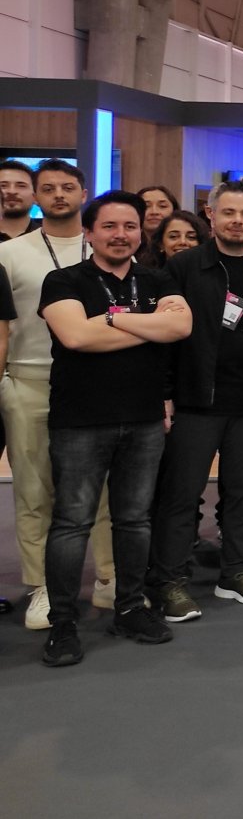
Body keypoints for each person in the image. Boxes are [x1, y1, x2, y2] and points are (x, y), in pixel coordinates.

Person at [38, 190, 193, 666]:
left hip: (144, 418)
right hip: (80, 421)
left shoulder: (157, 277)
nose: (120, 235)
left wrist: (111, 319)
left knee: (133, 519)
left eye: (130, 226)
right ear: (89, 233)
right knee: (72, 523)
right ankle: (62, 623)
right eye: (109, 226)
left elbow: (180, 328)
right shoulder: (63, 279)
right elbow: (74, 335)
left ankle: (129, 607)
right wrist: (142, 324)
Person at [147, 181, 243, 618]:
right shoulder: (185, 268)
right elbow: (164, 339)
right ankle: (171, 580)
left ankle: (237, 571)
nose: (237, 221)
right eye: (228, 213)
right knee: (181, 494)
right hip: (196, 401)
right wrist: (165, 396)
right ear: (210, 216)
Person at [0, 159, 118, 631]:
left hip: (99, 382)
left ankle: (111, 577)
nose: (58, 196)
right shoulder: (10, 253)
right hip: (30, 381)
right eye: (47, 189)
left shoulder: (107, 246)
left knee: (108, 489)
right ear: (35, 196)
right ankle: (43, 586)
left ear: (84, 192)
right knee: (35, 490)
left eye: (68, 187)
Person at [0, 159, 40, 240]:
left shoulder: (52, 238)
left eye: (21, 186)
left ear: (36, 197)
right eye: (3, 185)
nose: (12, 191)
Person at [135, 185, 179, 251]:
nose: (154, 212)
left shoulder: (183, 247)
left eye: (162, 206)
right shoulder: (131, 250)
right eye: (146, 206)